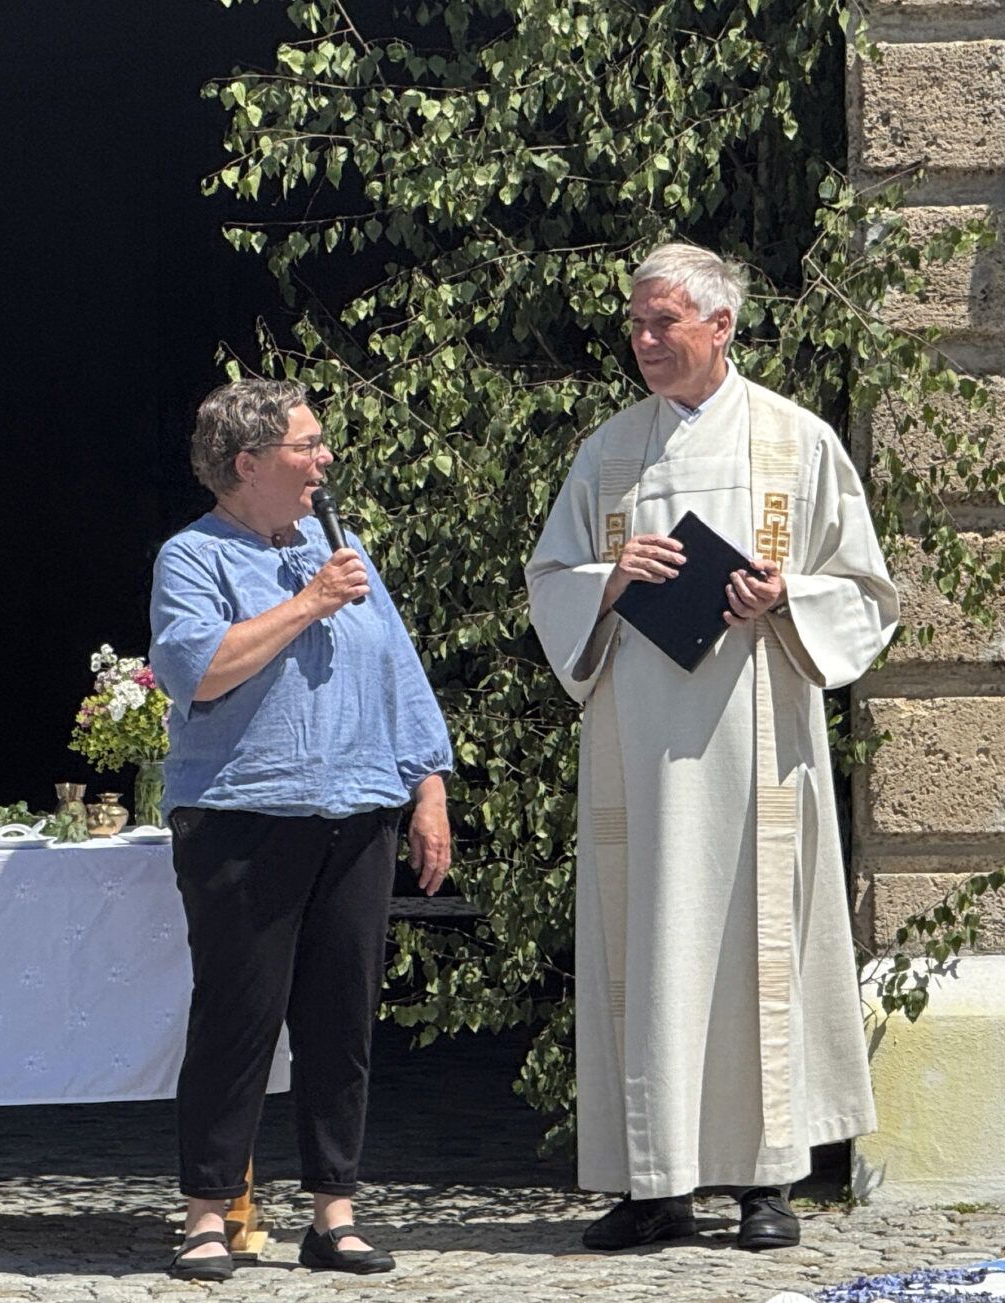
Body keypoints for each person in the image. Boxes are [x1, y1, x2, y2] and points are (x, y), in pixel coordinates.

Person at [525, 243, 899, 1253]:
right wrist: (610, 578)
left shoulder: (795, 441)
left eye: (665, 323)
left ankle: (764, 1181)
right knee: (650, 949)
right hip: (640, 757)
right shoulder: (609, 452)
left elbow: (867, 592)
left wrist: (786, 595)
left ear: (721, 326)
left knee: (755, 946)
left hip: (756, 746)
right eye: (637, 324)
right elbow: (550, 578)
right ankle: (653, 1184)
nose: (645, 342)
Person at [150, 379, 453, 1281]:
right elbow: (199, 670)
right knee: (238, 1020)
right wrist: (310, 602)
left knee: (339, 1021)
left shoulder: (339, 545)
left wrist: (428, 786)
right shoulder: (194, 556)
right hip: (244, 815)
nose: (324, 459)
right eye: (306, 444)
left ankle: (335, 1212)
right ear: (248, 463)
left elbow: (397, 669)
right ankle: (209, 1215)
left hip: (356, 812)